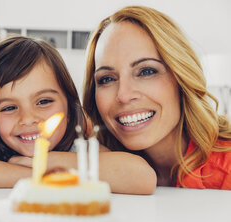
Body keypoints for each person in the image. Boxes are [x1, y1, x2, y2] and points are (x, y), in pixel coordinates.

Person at [0, 36, 157, 194]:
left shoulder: (79, 149)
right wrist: (40, 175)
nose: (28, 119)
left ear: (70, 106)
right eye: (9, 107)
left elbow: (141, 177)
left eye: (44, 101)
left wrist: (47, 162)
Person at [83, 6, 231, 189]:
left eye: (146, 71)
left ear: (181, 77)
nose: (123, 95)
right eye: (107, 79)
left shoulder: (227, 171)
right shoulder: (98, 164)